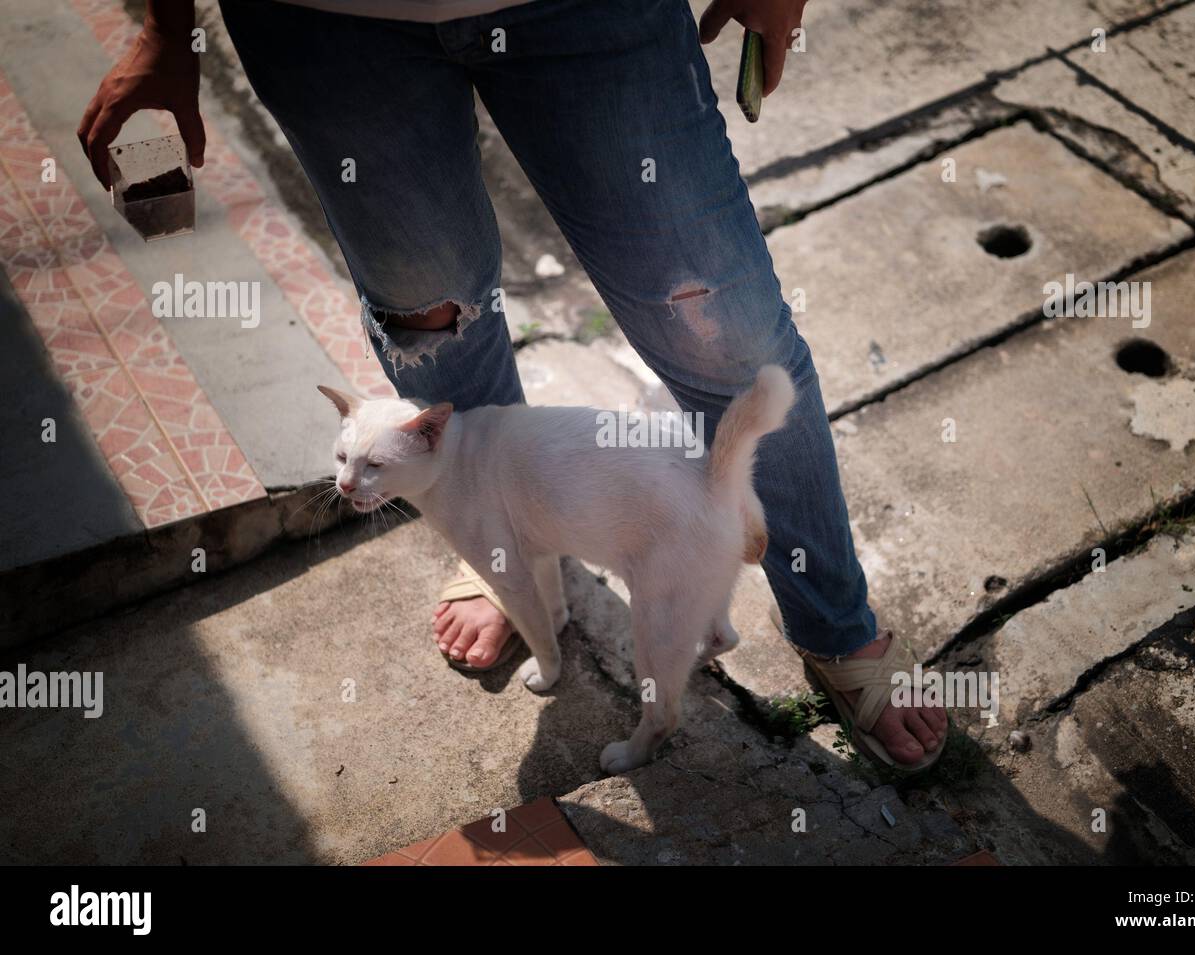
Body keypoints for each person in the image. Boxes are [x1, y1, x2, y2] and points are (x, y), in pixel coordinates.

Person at [80, 0, 947, 770]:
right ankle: (509, 556)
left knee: (730, 332)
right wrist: (167, 25)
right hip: (325, 24)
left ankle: (836, 623)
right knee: (431, 321)